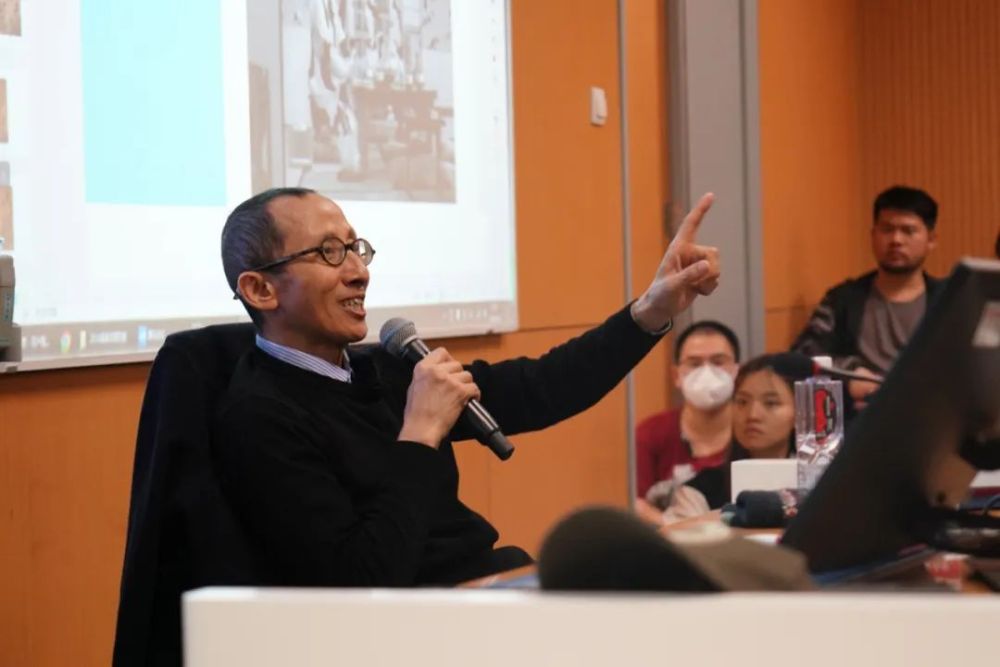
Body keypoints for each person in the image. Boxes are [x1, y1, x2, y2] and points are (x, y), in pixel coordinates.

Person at [214, 186, 720, 588]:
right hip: (418, 628)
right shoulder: (258, 418)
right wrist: (420, 433)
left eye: (355, 248)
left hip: (491, 585)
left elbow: (542, 386)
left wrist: (650, 311)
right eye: (329, 253)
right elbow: (363, 578)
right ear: (260, 289)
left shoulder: (384, 368)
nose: (359, 271)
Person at [791, 185, 944, 408]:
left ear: (931, 240)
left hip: (929, 414)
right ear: (873, 235)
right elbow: (802, 354)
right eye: (887, 229)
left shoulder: (947, 300)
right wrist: (850, 373)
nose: (896, 239)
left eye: (908, 230)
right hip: (860, 414)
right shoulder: (843, 299)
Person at [637, 355, 796, 524]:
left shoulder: (812, 485)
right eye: (742, 402)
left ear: (799, 412)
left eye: (771, 403)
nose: (753, 415)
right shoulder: (698, 492)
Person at [634, 320, 741, 503]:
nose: (707, 373)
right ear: (676, 376)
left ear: (736, 371)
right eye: (695, 364)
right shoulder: (650, 433)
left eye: (718, 362)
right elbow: (637, 504)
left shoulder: (752, 430)